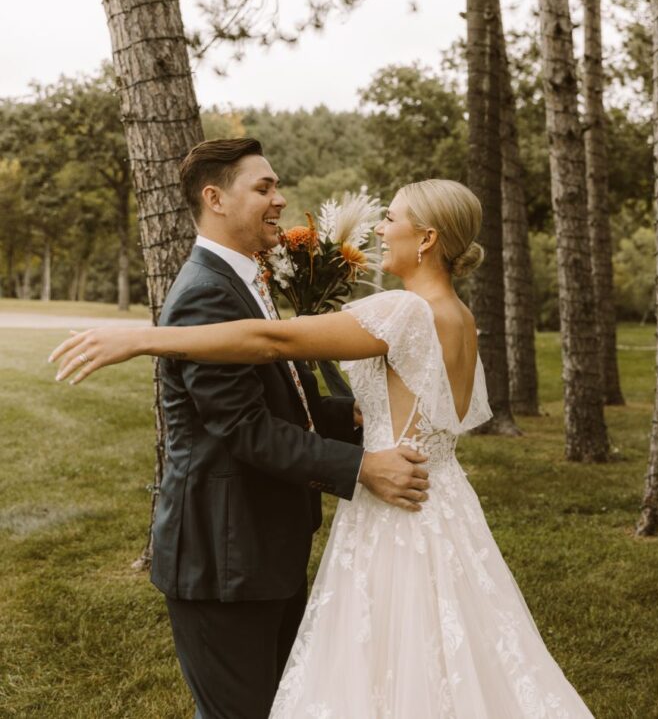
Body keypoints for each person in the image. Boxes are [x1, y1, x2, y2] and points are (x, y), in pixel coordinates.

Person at [52, 173, 594, 717]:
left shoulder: (403, 311)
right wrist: (363, 413)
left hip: (395, 514)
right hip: (443, 504)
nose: (380, 230)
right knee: (450, 659)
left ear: (426, 238)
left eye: (391, 219)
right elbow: (417, 407)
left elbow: (272, 341)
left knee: (385, 664)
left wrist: (144, 339)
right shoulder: (460, 316)